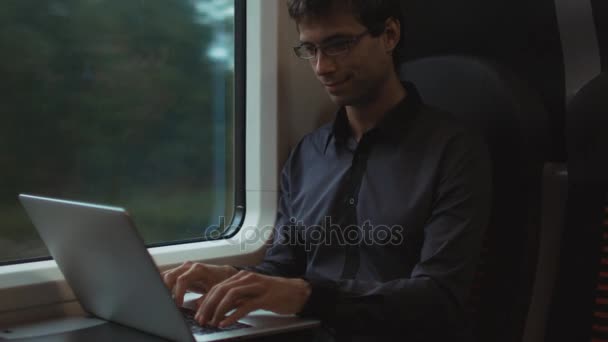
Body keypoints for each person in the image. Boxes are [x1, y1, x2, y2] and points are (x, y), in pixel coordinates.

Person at [162, 0, 492, 340]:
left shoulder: (454, 151)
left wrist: (306, 296)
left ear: (389, 35)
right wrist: (228, 277)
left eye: (338, 45)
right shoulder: (307, 154)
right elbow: (284, 265)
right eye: (310, 49)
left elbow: (439, 298)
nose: (322, 67)